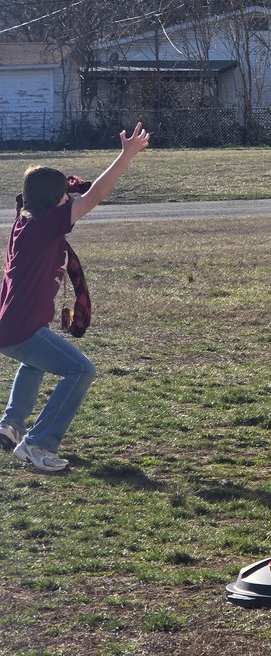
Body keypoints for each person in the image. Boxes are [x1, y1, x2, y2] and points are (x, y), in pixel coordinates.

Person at [0, 123, 150, 472]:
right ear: (55, 203)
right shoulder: (45, 225)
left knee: (34, 363)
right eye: (65, 198)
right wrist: (126, 156)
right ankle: (37, 444)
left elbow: (71, 194)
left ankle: (11, 425)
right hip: (22, 329)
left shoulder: (25, 221)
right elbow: (95, 196)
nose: (71, 200)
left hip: (12, 328)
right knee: (81, 369)